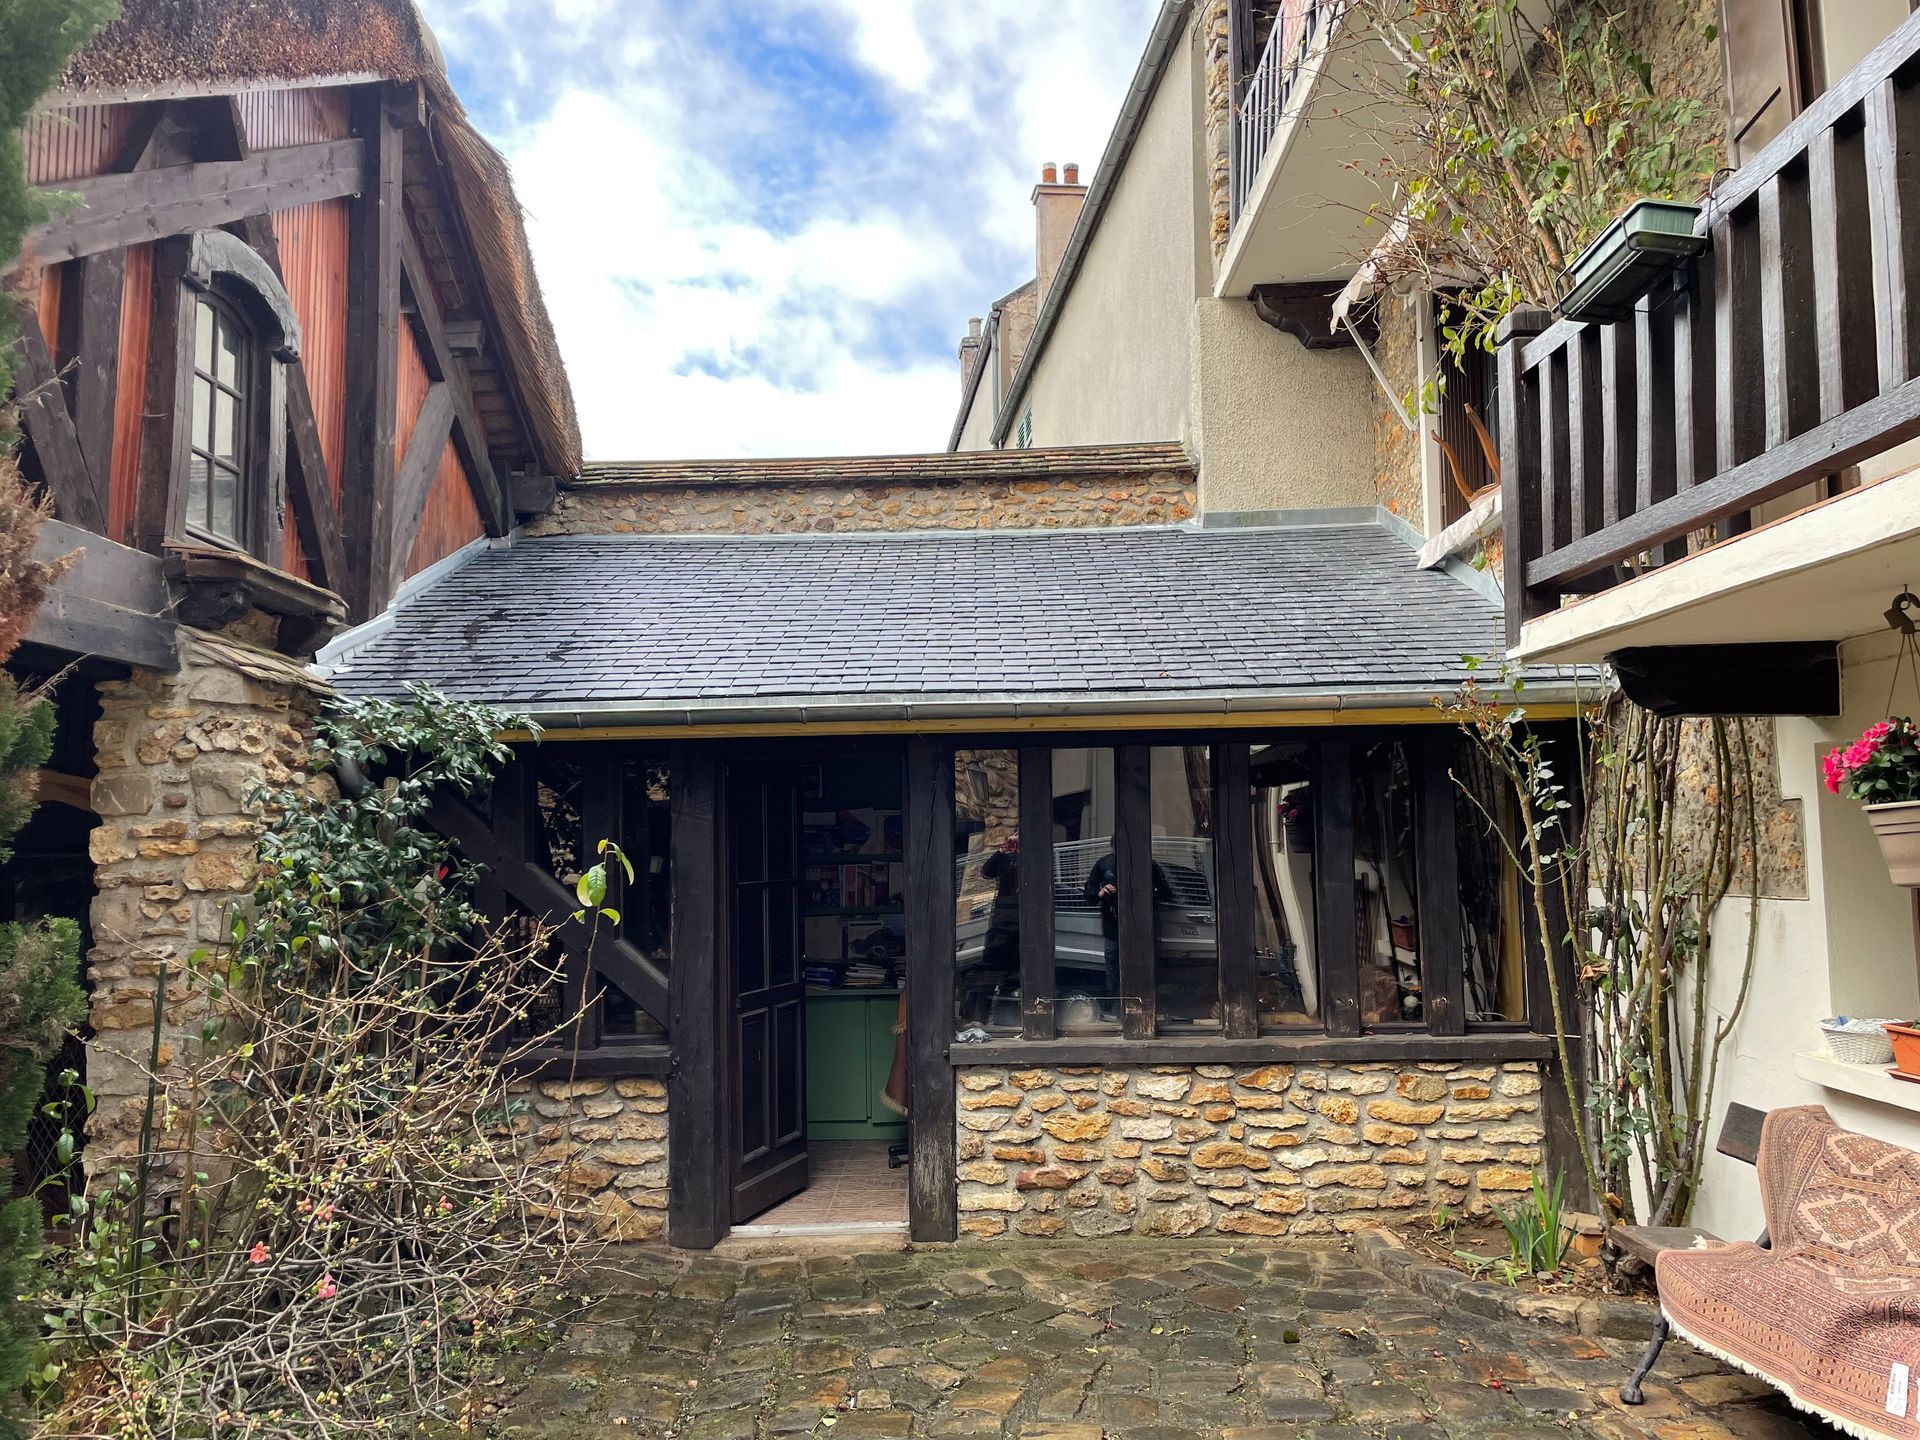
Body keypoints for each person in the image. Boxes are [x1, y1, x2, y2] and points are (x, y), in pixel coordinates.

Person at [1083, 850, 1172, 1021]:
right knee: (1113, 966)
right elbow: (1088, 894)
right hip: (1113, 925)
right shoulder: (1104, 864)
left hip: (1142, 925)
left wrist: (1145, 891)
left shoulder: (1149, 864)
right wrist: (1102, 892)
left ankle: (1145, 1006)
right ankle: (1113, 1008)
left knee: (1143, 965)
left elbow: (1165, 892)